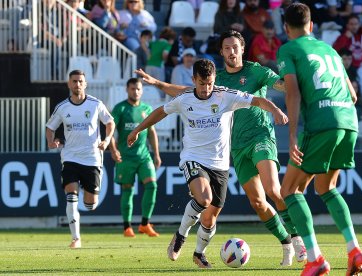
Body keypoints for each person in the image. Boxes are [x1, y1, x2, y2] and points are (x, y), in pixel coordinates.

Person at [135, 30, 308, 267]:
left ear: (242, 49)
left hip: (260, 137)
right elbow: (187, 93)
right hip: (234, 147)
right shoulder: (217, 81)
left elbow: (278, 85)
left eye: (235, 47)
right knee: (257, 202)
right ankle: (286, 242)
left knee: (272, 189)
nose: (231, 51)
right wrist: (157, 83)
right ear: (221, 52)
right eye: (227, 48)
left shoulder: (255, 70)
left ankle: (299, 240)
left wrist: (297, 87)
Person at [276, 3, 362, 275]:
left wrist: (292, 134)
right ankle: (354, 249)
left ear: (285, 27)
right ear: (311, 26)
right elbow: (352, 95)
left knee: (290, 191)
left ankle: (315, 259)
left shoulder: (288, 49)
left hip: (321, 123)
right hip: (348, 122)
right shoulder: (329, 50)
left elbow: (292, 93)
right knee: (326, 188)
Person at [46, 70, 115, 248]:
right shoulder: (62, 107)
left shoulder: (95, 104)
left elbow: (110, 122)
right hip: (70, 157)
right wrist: (51, 141)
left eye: (80, 81)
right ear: (69, 84)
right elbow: (50, 127)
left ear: (85, 84)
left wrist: (106, 140)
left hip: (92, 159)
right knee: (71, 197)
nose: (77, 84)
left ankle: (86, 186)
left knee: (90, 205)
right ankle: (76, 238)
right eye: (74, 81)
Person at [109, 78, 161, 238]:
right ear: (127, 89)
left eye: (138, 89)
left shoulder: (146, 108)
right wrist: (113, 149)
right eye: (132, 89)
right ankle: (127, 227)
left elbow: (152, 133)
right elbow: (110, 131)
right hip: (125, 157)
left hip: (144, 156)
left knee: (152, 186)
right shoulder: (120, 108)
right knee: (127, 190)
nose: (136, 92)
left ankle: (145, 224)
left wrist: (157, 154)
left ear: (142, 90)